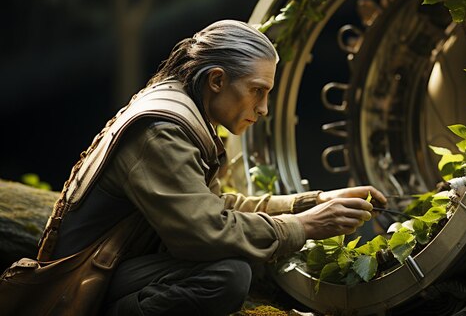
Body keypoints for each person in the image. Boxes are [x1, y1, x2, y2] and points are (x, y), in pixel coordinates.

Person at [44, 20, 387, 315]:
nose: (264, 108)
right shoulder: (163, 132)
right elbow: (205, 235)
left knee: (241, 260)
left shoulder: (181, 111)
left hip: (118, 267)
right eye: (257, 91)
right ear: (217, 80)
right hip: (83, 283)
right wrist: (301, 227)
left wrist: (311, 203)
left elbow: (212, 209)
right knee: (228, 274)